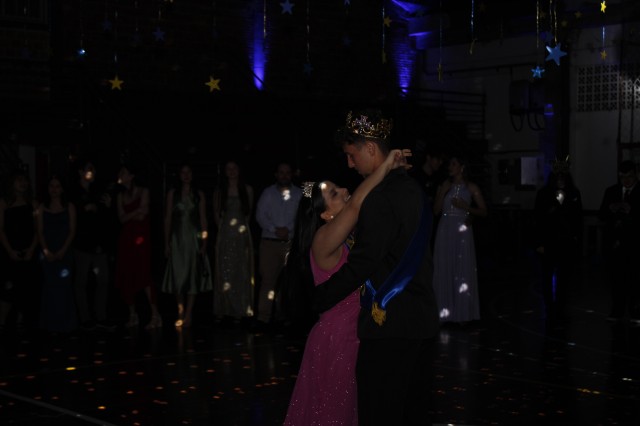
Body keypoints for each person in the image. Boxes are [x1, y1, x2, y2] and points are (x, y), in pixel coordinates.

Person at [312, 109, 440, 426]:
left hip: (389, 328)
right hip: (421, 321)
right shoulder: (413, 188)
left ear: (370, 148)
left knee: (379, 413)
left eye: (352, 155)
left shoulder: (381, 198)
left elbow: (363, 263)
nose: (349, 164)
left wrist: (317, 298)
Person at [284, 148, 411, 426]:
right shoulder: (323, 239)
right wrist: (385, 165)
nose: (344, 190)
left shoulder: (344, 237)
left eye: (339, 187)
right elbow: (355, 206)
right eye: (334, 193)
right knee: (334, 414)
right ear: (326, 215)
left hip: (351, 335)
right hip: (337, 340)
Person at [432, 154, 488, 324]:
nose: (450, 167)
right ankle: (444, 314)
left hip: (462, 231)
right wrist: (443, 191)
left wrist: (466, 207)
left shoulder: (471, 187)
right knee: (444, 268)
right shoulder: (444, 185)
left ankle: (462, 314)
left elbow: (483, 211)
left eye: (454, 164)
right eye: (450, 164)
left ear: (462, 167)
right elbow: (435, 211)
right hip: (445, 229)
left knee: (461, 268)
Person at [161, 162, 213, 328]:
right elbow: (167, 219)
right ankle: (180, 312)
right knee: (178, 277)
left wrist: (204, 242)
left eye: (188, 172)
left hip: (193, 240)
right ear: (179, 175)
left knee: (192, 277)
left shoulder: (198, 194)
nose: (186, 175)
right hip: (177, 240)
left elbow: (203, 219)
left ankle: (189, 314)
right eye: (183, 172)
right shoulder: (172, 194)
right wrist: (166, 243)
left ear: (192, 174)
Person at [69, 159, 117, 331]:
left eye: (94, 169)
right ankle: (85, 318)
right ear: (81, 172)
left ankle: (101, 316)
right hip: (82, 244)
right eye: (89, 169)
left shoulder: (98, 191)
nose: (93, 172)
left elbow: (105, 217)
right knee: (81, 282)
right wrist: (85, 209)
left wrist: (107, 207)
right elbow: (73, 216)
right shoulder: (74, 192)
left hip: (99, 244)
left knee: (103, 280)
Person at [254, 161, 302, 328]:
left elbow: (301, 216)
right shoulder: (268, 193)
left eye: (287, 172)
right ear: (276, 174)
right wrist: (274, 229)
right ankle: (263, 318)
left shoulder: (299, 194)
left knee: (288, 283)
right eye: (281, 172)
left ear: (292, 174)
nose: (284, 175)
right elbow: (260, 215)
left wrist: (288, 229)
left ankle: (284, 317)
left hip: (290, 244)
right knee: (268, 281)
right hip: (270, 243)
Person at [533, 158, 582, 321]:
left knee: (564, 278)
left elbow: (578, 219)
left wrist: (576, 241)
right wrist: (539, 243)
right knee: (547, 277)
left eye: (563, 177)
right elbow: (538, 219)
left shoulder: (574, 194)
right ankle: (549, 306)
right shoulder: (543, 194)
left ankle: (560, 307)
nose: (560, 180)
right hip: (548, 242)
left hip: (566, 243)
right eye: (557, 177)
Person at [114, 163, 162, 330]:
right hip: (126, 238)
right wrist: (135, 212)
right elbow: (122, 218)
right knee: (127, 274)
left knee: (144, 274)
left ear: (131, 175)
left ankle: (155, 315)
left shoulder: (144, 191)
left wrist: (131, 214)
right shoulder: (120, 196)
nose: (120, 175)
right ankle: (132, 315)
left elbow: (143, 214)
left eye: (124, 172)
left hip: (141, 238)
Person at [212, 160, 255, 324]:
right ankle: (224, 308)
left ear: (239, 170)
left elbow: (248, 214)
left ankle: (240, 309)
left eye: (234, 168)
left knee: (241, 270)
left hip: (242, 235)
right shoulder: (219, 191)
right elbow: (216, 214)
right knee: (224, 270)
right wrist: (224, 232)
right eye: (228, 168)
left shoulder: (247, 189)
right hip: (225, 235)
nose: (231, 171)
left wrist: (240, 232)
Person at [598, 159, 640, 323]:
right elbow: (601, 215)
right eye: (622, 177)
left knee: (635, 279)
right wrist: (611, 209)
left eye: (629, 176)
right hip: (615, 244)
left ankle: (635, 311)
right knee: (616, 278)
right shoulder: (612, 191)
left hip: (635, 244)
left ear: (635, 175)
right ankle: (617, 310)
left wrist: (632, 211)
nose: (626, 181)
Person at [0, 169, 41, 331]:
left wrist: (31, 249)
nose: (23, 183)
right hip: (9, 252)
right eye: (19, 180)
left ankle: (21, 322)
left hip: (28, 251)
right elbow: (1, 230)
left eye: (25, 180)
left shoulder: (33, 204)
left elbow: (38, 230)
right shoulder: (4, 203)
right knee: (8, 289)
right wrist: (10, 251)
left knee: (26, 288)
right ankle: (2, 322)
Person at [36, 175, 78, 334]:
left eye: (57, 186)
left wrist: (62, 250)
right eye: (51, 186)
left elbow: (72, 231)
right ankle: (50, 324)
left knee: (64, 287)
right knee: (49, 287)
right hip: (47, 251)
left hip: (64, 251)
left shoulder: (69, 206)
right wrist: (46, 251)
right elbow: (39, 231)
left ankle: (66, 324)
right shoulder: (42, 207)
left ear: (62, 189)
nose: (54, 189)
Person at [410, 143, 448, 250]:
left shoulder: (439, 178)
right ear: (428, 158)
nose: (440, 163)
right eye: (437, 159)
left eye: (441, 160)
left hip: (434, 226)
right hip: (417, 225)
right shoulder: (415, 177)